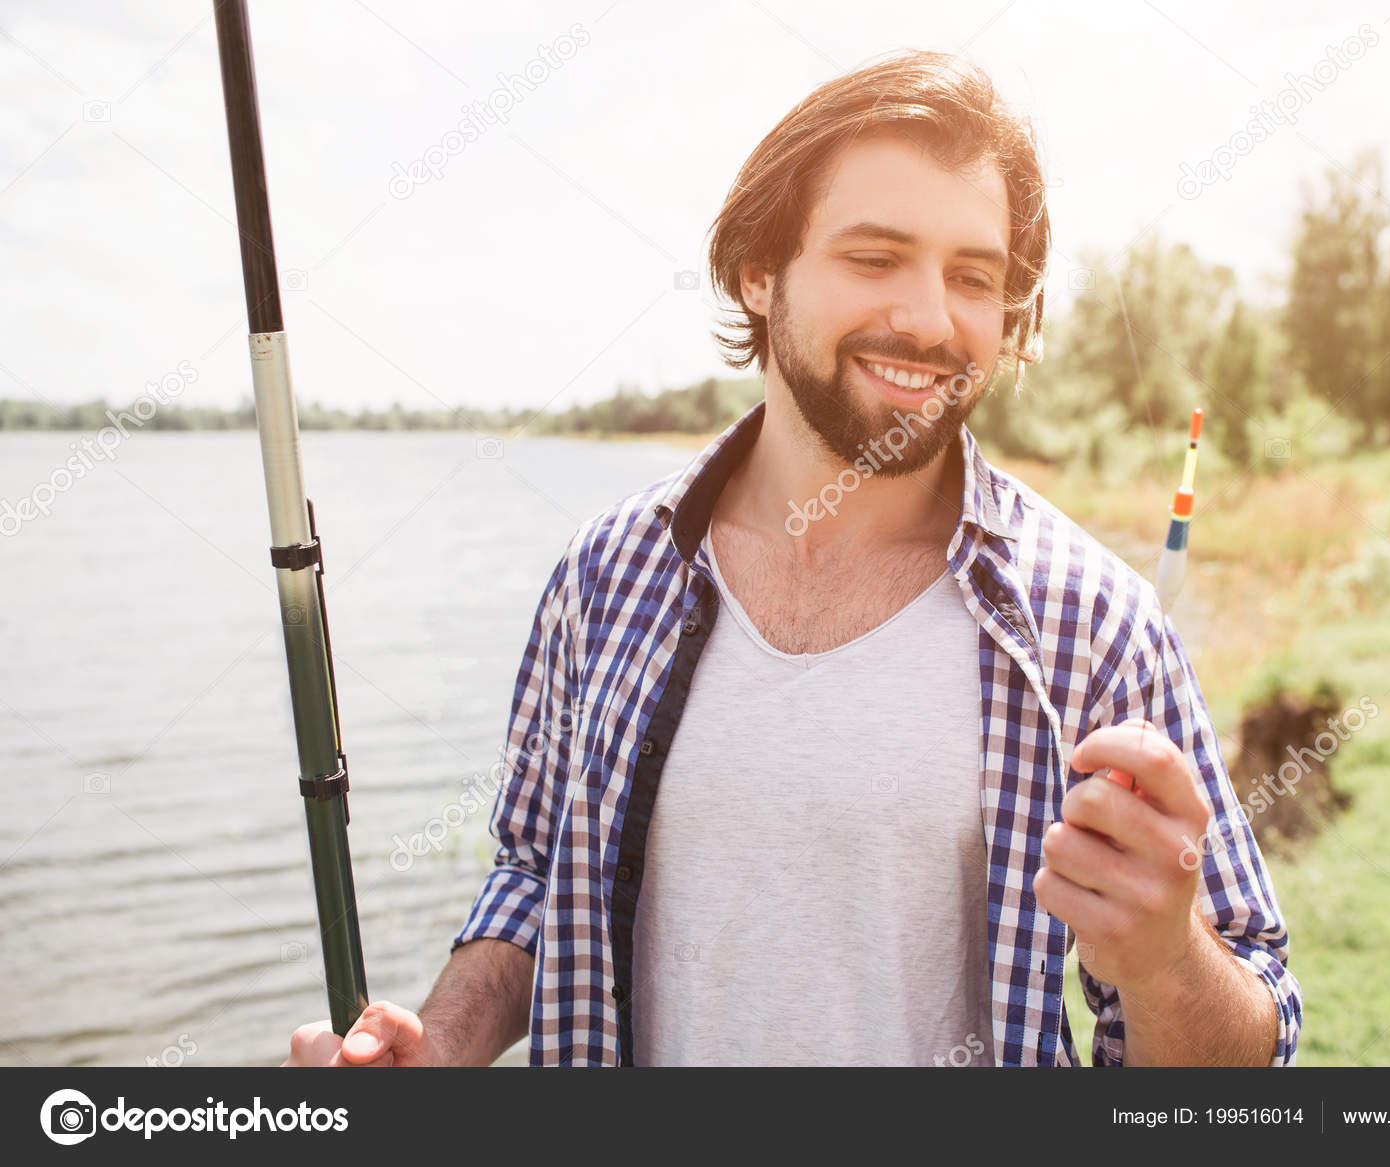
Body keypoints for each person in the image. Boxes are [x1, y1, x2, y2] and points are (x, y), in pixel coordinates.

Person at [286, 48, 1301, 1069]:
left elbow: (1246, 1046)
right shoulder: (606, 577)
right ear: (757, 272)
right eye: (874, 258)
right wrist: (443, 1046)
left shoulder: (1094, 625)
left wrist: (1166, 960)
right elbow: (539, 875)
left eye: (973, 276)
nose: (929, 318)